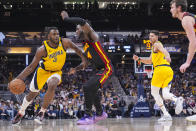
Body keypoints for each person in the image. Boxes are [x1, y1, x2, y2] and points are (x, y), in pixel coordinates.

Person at [12, 27, 88, 124]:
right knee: (32, 95)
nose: (57, 36)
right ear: (48, 36)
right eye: (54, 34)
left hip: (56, 71)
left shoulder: (65, 42)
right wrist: (17, 79)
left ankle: (42, 112)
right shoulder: (42, 50)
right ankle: (21, 112)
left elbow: (77, 49)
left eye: (58, 34)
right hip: (43, 71)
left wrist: (84, 59)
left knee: (53, 84)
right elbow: (31, 67)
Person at [61, 11, 113, 125]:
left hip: (106, 68)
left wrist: (66, 19)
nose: (76, 31)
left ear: (84, 29)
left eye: (77, 29)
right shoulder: (85, 45)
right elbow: (85, 63)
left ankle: (88, 116)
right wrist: (76, 69)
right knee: (91, 89)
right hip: (98, 70)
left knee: (87, 86)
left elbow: (82, 21)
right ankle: (100, 113)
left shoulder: (93, 36)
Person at [133, 30, 183, 122]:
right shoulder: (154, 48)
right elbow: (149, 61)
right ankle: (177, 100)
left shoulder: (157, 44)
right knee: (165, 94)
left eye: (152, 36)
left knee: (154, 93)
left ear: (157, 37)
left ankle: (166, 114)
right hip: (168, 71)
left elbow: (165, 51)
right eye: (149, 36)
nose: (150, 37)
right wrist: (139, 59)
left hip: (160, 70)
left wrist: (168, 56)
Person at [170, 0, 196, 121]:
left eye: (172, 7)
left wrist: (187, 62)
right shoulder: (188, 18)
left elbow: (193, 42)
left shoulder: (186, 20)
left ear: (179, 8)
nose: (170, 9)